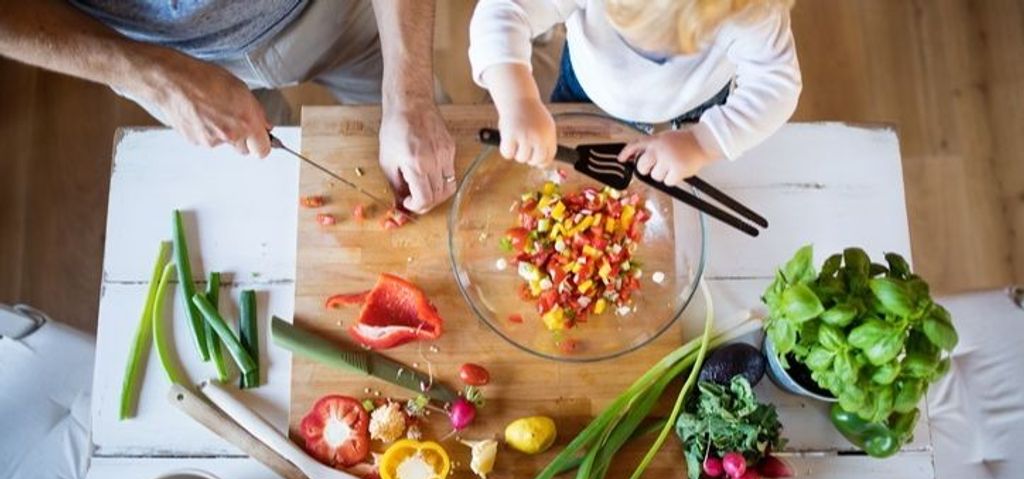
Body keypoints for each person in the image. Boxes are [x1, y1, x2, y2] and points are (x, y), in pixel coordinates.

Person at [0, 0, 455, 214]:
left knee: (427, 157)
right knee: (276, 208)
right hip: (159, 58)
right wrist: (154, 76)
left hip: (329, 12)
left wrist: (410, 97)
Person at [468, 0, 802, 188]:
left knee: (681, 172)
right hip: (588, 89)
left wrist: (703, 143)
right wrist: (519, 101)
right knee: (569, 180)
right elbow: (504, 9)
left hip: (695, 105)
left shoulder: (752, 9)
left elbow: (776, 84)